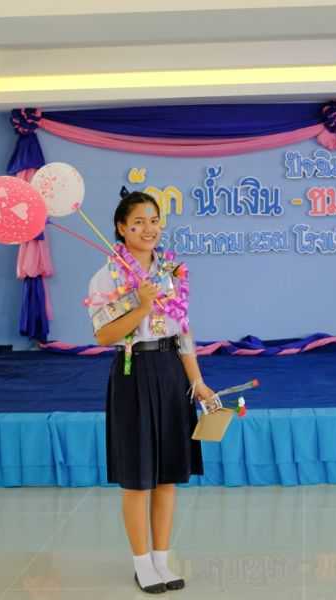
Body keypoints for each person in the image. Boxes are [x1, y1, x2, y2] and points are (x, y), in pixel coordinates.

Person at [87, 190, 213, 594]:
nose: (149, 229)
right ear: (121, 228)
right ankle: (142, 564)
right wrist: (140, 306)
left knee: (167, 477)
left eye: (154, 220)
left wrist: (197, 380)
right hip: (133, 372)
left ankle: (162, 559)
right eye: (138, 222)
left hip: (171, 371)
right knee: (138, 478)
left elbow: (183, 329)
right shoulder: (107, 276)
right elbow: (103, 335)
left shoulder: (172, 270)